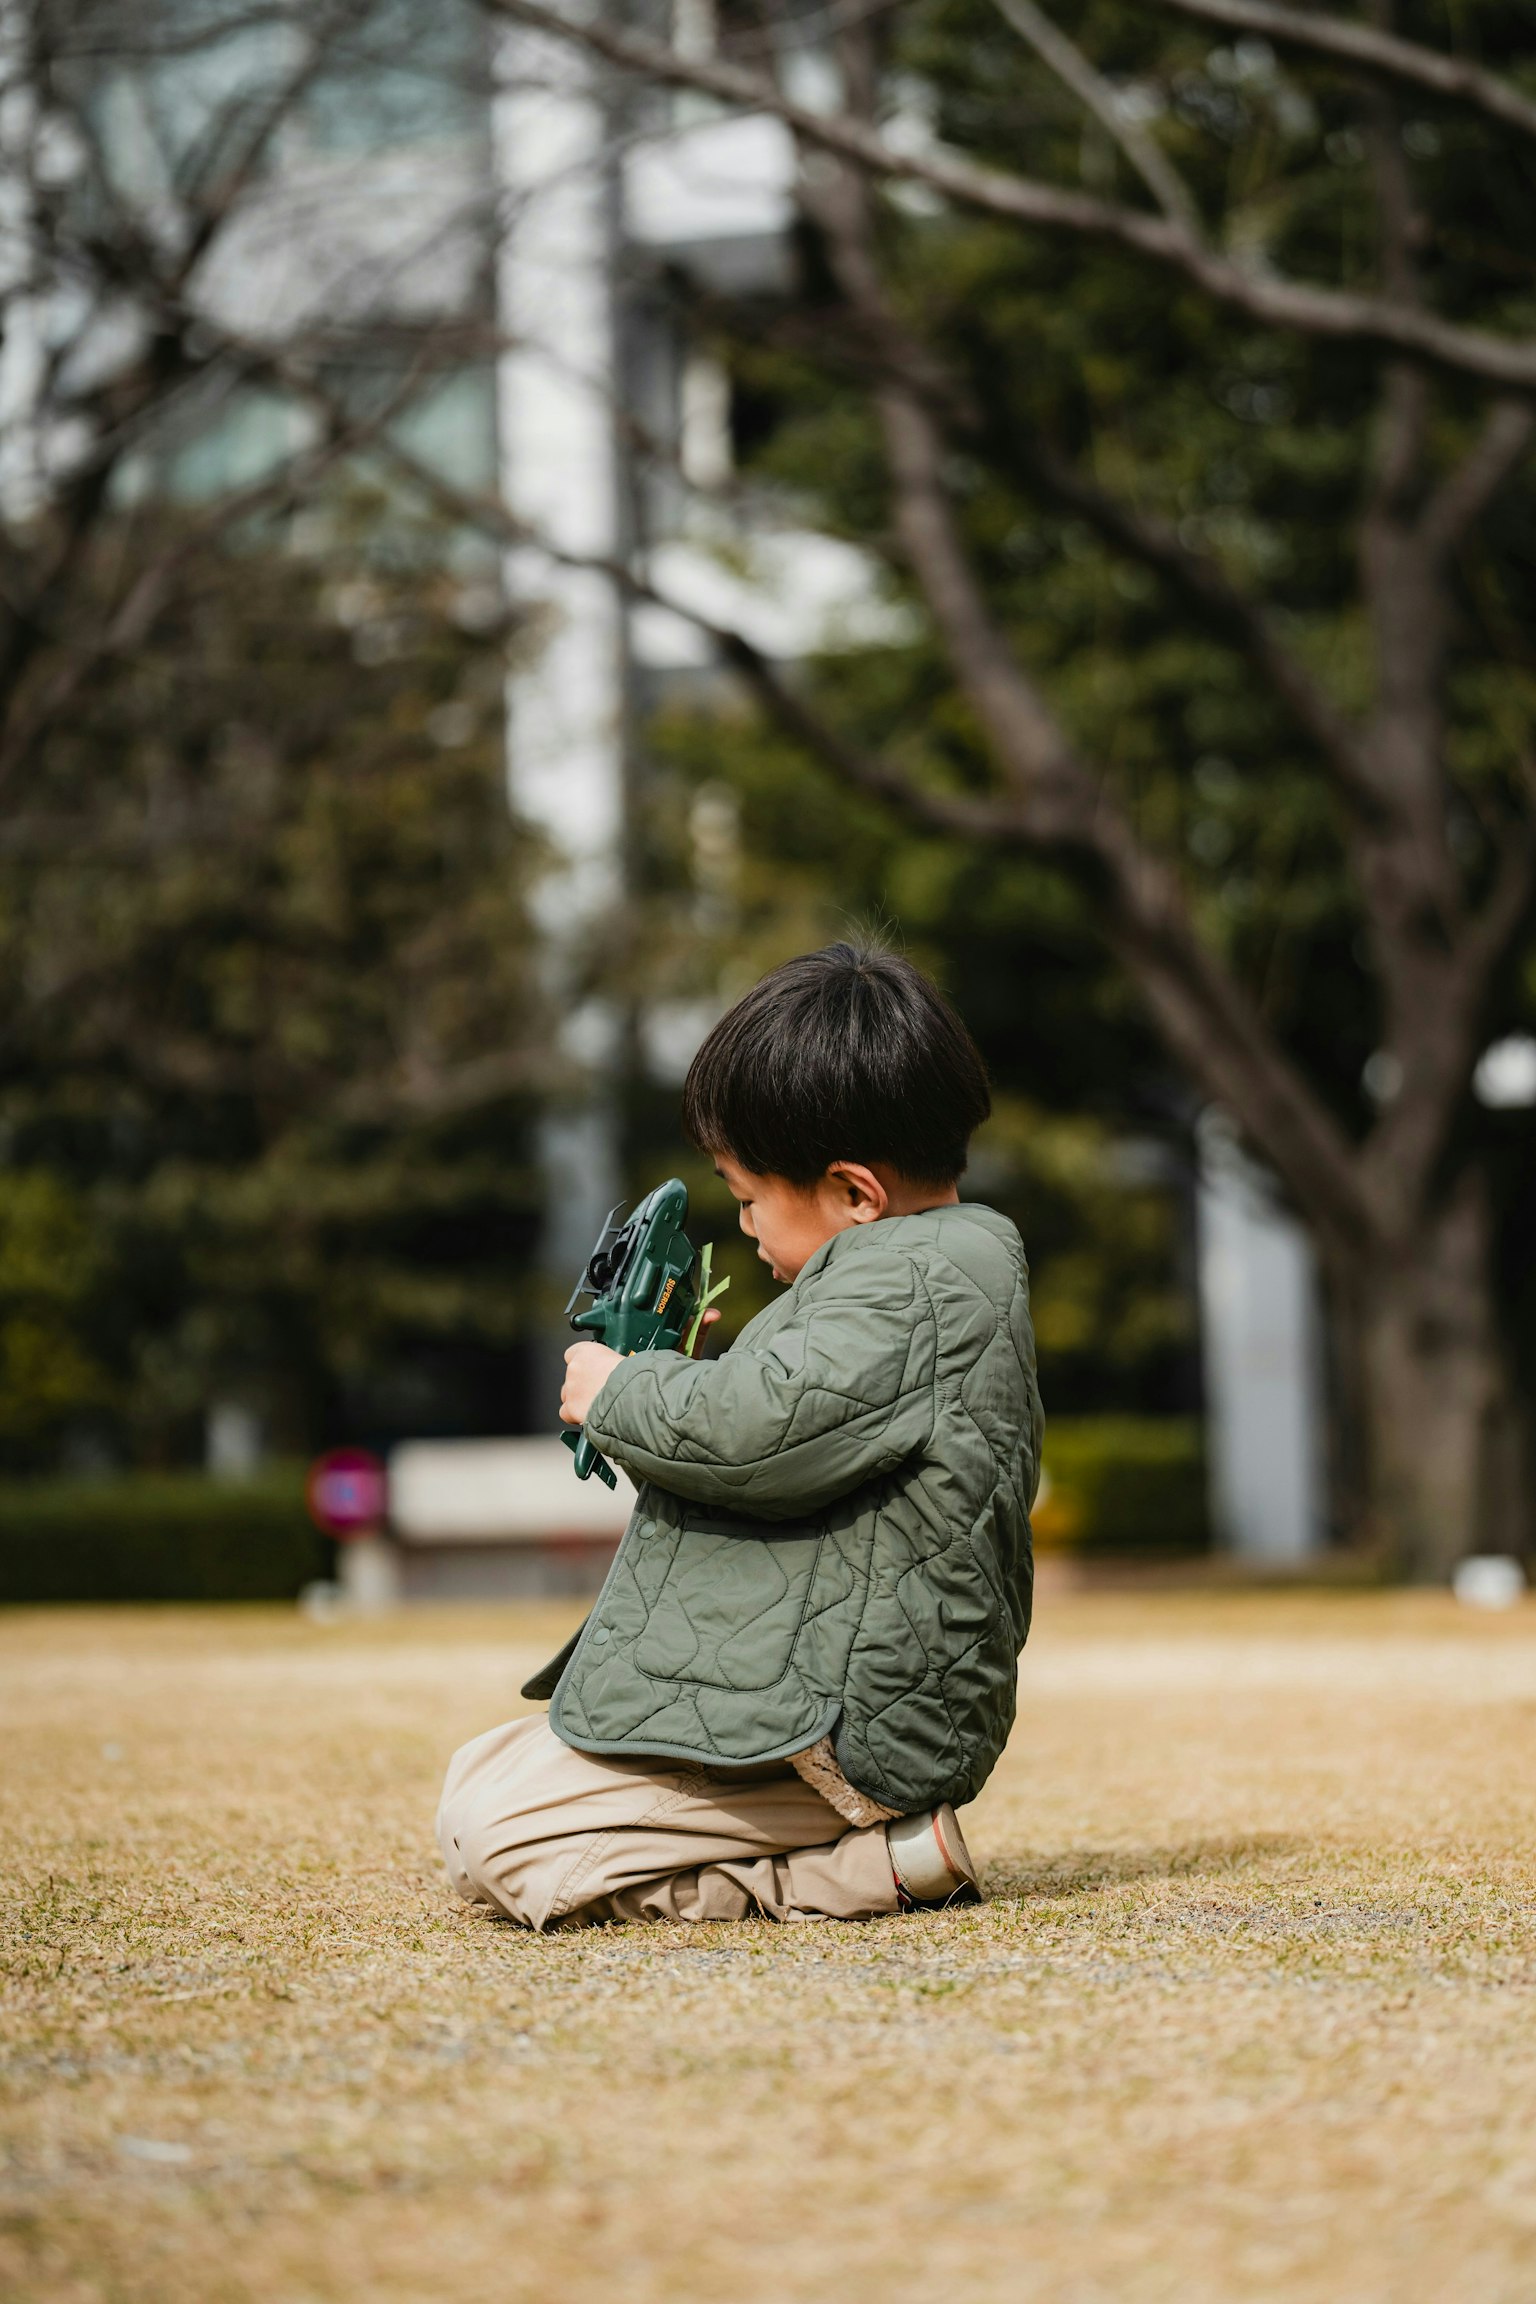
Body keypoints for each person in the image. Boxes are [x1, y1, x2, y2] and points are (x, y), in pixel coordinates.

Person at [437, 942, 1043, 1928]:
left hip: (843, 1727)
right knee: (480, 1777)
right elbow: (791, 1437)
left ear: (854, 1193)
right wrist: (682, 1382)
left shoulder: (910, 1281)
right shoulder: (904, 1273)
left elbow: (759, 1432)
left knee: (502, 1841)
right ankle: (860, 1853)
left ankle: (865, 1872)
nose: (744, 1224)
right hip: (826, 1688)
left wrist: (626, 1390)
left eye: (749, 1194)